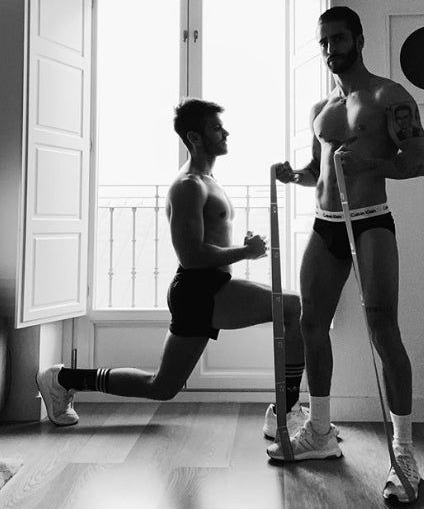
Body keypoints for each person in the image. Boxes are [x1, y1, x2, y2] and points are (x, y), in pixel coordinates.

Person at [36, 98, 308, 440]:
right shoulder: (188, 186)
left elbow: (208, 237)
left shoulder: (209, 180)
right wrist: (245, 252)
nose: (225, 132)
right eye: (216, 128)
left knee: (162, 386)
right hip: (199, 289)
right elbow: (191, 255)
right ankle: (287, 409)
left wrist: (241, 245)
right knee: (293, 307)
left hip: (209, 288)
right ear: (195, 138)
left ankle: (63, 379)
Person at [268, 7, 424, 504]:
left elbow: (419, 162)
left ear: (358, 40)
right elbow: (319, 169)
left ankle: (403, 452)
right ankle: (319, 430)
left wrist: (372, 161)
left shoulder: (390, 97)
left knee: (385, 331)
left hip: (371, 222)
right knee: (310, 323)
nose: (330, 49)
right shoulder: (321, 107)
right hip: (327, 225)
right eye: (323, 42)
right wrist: (293, 174)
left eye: (338, 39)